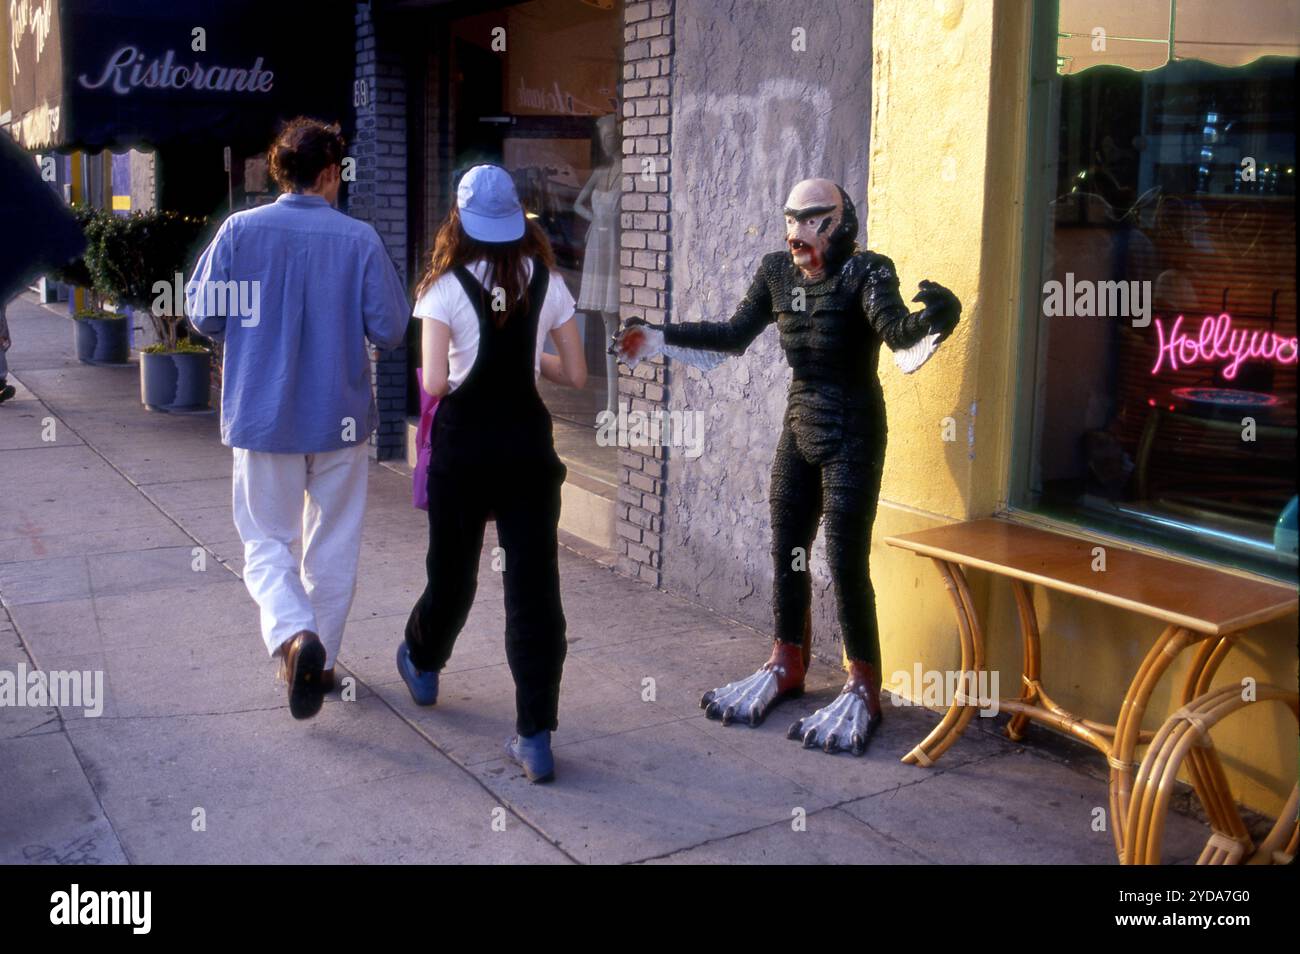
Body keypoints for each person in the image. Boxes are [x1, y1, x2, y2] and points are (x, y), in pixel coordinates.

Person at [186, 117, 410, 721]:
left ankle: (293, 636)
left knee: (266, 541)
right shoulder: (359, 239)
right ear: (332, 172)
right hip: (338, 417)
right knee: (333, 542)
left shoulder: (239, 232)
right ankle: (323, 659)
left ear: (280, 172)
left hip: (262, 417)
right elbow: (390, 328)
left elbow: (204, 317)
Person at [401, 163, 586, 783]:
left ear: (460, 221)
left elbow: (432, 382)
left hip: (464, 450)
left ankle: (423, 665)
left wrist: (460, 366)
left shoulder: (442, 289)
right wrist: (531, 359)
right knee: (534, 591)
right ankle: (535, 737)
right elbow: (576, 376)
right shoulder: (547, 281)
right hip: (528, 451)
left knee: (451, 572)